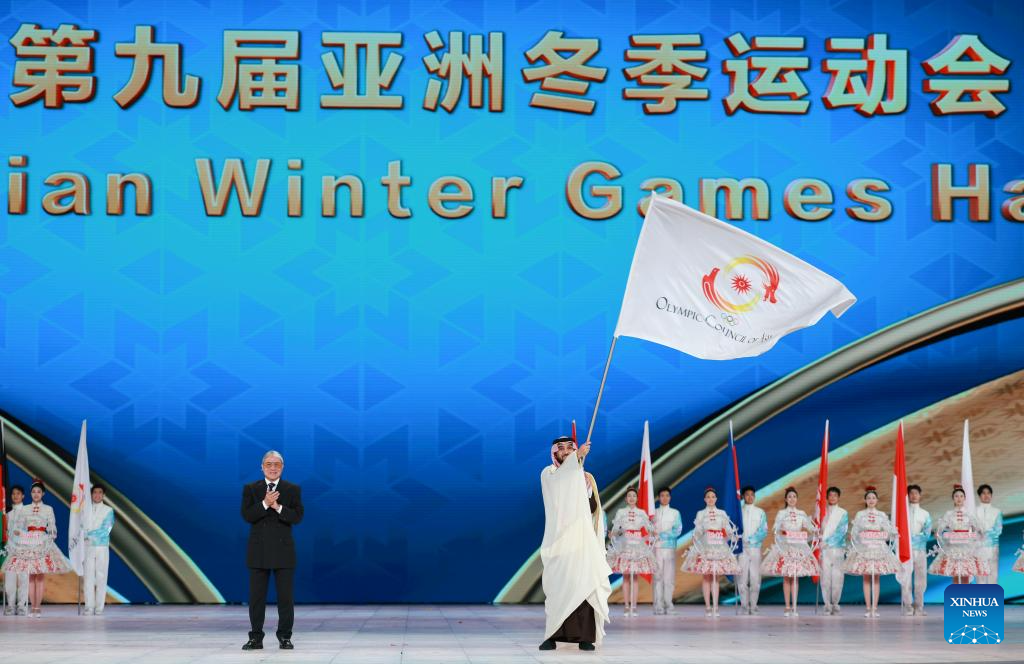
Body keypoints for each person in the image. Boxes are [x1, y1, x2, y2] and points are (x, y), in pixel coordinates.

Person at [539, 436, 611, 652]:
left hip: (581, 542)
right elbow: (560, 484)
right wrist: (576, 458)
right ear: (554, 453)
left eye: (570, 448)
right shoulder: (549, 474)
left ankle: (585, 637)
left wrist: (585, 488)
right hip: (559, 543)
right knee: (558, 588)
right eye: (561, 448)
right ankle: (553, 635)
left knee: (584, 585)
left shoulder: (585, 477)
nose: (566, 451)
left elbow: (592, 509)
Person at [241, 450, 304, 650]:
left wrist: (277, 507)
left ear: (282, 467)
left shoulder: (292, 489)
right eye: (269, 464)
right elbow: (247, 515)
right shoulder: (251, 489)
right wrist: (264, 503)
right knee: (256, 598)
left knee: (285, 598)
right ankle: (256, 638)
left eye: (277, 464)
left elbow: (297, 517)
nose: (273, 468)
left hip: (283, 550)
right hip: (258, 550)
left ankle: (285, 637)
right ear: (262, 467)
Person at [0, 480, 70, 616]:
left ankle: (38, 608)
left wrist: (52, 534)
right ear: (30, 494)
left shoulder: (48, 509)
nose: (36, 494)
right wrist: (17, 532)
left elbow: (52, 526)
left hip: (42, 542)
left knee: (40, 575)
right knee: (31, 576)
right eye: (33, 492)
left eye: (38, 492)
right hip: (28, 542)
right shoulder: (25, 509)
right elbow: (19, 526)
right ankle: (32, 608)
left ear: (43, 494)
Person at [844, 486, 901, 618]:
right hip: (864, 548)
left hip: (878, 548)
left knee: (876, 577)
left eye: (873, 498)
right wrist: (854, 537)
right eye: (869, 498)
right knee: (866, 576)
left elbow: (888, 531)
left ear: (877, 500)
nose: (871, 500)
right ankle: (868, 607)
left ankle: (875, 608)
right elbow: (855, 532)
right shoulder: (860, 514)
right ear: (865, 500)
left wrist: (893, 533)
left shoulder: (881, 515)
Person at [761, 486, 817, 617]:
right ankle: (787, 606)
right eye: (790, 497)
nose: (792, 499)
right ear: (786, 499)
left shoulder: (801, 513)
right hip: (785, 546)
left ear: (797, 499)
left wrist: (814, 529)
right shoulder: (782, 513)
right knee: (787, 576)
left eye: (794, 497)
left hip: (799, 547)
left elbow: (809, 527)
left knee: (796, 576)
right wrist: (779, 530)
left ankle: (795, 606)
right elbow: (775, 528)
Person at [681, 487, 738, 617]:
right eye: (708, 497)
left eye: (713, 497)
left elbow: (728, 530)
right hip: (705, 546)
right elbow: (697, 531)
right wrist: (698, 533)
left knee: (715, 576)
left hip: (719, 546)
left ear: (716, 499)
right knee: (706, 576)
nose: (711, 499)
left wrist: (730, 535)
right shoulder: (701, 513)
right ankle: (707, 606)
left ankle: (716, 607)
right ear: (705, 499)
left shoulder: (722, 513)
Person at [606, 487, 656, 617]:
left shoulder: (641, 512)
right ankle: (626, 606)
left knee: (635, 577)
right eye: (629, 496)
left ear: (637, 498)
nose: (632, 498)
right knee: (626, 576)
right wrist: (613, 533)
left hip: (638, 546)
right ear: (626, 498)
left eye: (634, 496)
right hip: (625, 545)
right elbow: (617, 528)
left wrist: (653, 532)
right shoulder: (621, 512)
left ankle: (634, 606)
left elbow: (648, 527)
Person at [929, 484, 989, 584]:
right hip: (954, 547)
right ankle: (956, 592)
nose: (959, 498)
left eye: (961, 496)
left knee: (966, 573)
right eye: (956, 496)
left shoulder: (969, 514)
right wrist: (938, 534)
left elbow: (979, 527)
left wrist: (981, 534)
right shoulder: (949, 514)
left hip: (967, 547)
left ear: (964, 498)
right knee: (955, 572)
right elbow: (940, 527)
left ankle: (965, 592)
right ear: (953, 498)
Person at [899, 484, 931, 616]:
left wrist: (911, 539)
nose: (914, 496)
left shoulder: (925, 514)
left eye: (916, 493)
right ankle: (908, 605)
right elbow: (898, 531)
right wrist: (906, 541)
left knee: (921, 578)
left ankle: (919, 606)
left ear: (920, 495)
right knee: (905, 577)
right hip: (905, 550)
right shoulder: (902, 512)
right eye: (911, 493)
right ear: (908, 496)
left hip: (920, 550)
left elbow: (927, 533)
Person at [83, 484, 115, 616]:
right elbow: (80, 527)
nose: (97, 495)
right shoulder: (85, 510)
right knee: (88, 577)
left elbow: (106, 530)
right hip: (87, 548)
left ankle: (99, 608)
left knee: (101, 576)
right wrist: (84, 536)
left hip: (102, 547)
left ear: (103, 495)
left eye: (100, 492)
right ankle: (89, 607)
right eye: (95, 492)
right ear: (91, 494)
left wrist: (88, 535)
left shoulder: (108, 510)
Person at [737, 485, 767, 615]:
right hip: (742, 550)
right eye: (747, 494)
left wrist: (751, 540)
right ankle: (744, 606)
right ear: (743, 496)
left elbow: (763, 530)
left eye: (752, 495)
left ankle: (753, 605)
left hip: (755, 549)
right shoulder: (738, 512)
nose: (750, 497)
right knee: (742, 579)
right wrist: (740, 540)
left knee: (755, 578)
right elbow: (734, 528)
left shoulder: (760, 512)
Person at [652, 487, 682, 616]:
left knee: (668, 578)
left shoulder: (675, 513)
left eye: (667, 495)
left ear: (670, 497)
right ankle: (658, 605)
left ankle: (669, 605)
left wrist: (663, 535)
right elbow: (648, 529)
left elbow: (678, 529)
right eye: (662, 495)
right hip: (656, 548)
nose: (665, 498)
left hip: (669, 547)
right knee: (657, 577)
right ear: (659, 497)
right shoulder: (653, 513)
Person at [819, 486, 848, 616]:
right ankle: (826, 604)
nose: (832, 497)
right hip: (824, 550)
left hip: (837, 549)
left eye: (835, 495)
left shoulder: (843, 513)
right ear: (827, 497)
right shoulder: (821, 512)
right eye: (830, 495)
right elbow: (818, 529)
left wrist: (828, 542)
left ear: (838, 497)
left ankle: (835, 603)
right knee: (825, 578)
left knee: (837, 577)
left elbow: (842, 531)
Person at [3, 485, 29, 616]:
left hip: (23, 550)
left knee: (24, 578)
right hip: (11, 550)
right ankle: (11, 605)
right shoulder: (7, 515)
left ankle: (22, 605)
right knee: (9, 580)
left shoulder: (28, 513)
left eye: (18, 493)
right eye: (13, 494)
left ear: (23, 496)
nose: (15, 496)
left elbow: (30, 532)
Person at [975, 484, 1003, 584]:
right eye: (983, 493)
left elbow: (998, 530)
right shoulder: (974, 511)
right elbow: (971, 528)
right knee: (980, 575)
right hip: (977, 547)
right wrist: (978, 534)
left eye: (988, 493)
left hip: (992, 547)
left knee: (993, 574)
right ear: (979, 496)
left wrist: (985, 534)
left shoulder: (997, 512)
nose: (986, 495)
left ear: (991, 495)